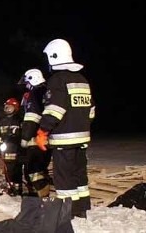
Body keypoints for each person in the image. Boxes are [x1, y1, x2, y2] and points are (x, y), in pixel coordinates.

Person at [36, 38, 95, 218]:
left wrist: (42, 131)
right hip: (82, 140)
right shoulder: (82, 80)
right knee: (79, 176)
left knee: (64, 177)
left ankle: (66, 213)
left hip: (64, 140)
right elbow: (91, 111)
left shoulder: (57, 81)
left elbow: (55, 110)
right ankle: (81, 210)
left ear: (54, 57)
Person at [18, 68, 52, 198]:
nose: (26, 86)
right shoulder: (48, 92)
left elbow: (32, 118)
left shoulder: (35, 93)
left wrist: (25, 137)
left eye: (27, 83)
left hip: (36, 140)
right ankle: (40, 195)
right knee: (41, 169)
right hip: (47, 139)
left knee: (34, 170)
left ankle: (42, 197)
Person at [0, 97, 22, 196]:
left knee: (16, 170)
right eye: (6, 107)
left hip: (16, 150)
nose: (7, 109)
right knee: (8, 170)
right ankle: (9, 187)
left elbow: (22, 135)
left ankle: (17, 188)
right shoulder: (3, 121)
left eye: (9, 107)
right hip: (6, 150)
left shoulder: (18, 120)